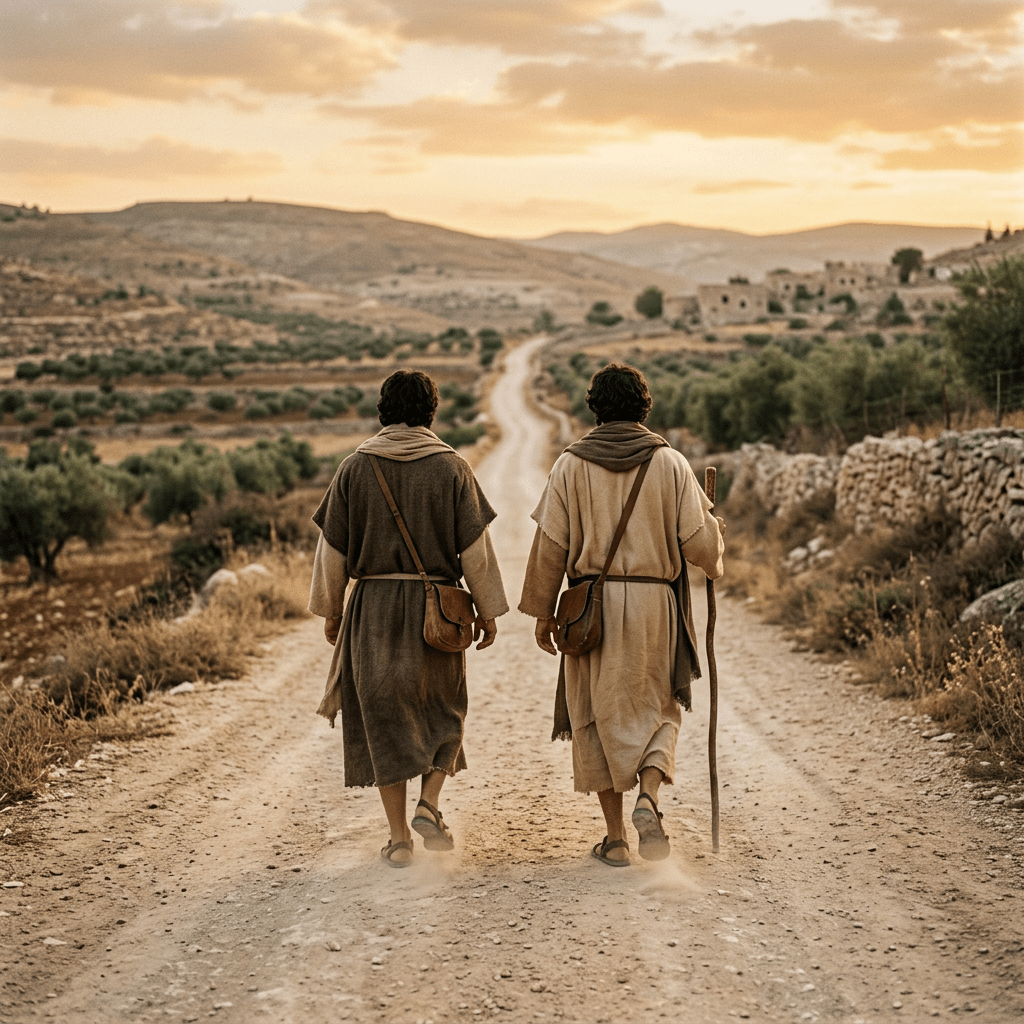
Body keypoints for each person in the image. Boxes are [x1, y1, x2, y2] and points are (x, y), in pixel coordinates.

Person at [519, 363, 724, 866]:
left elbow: (550, 546)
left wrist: (544, 613)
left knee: (594, 713)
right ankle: (649, 796)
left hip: (591, 609)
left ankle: (614, 840)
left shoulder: (569, 465)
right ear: (644, 405)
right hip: (656, 605)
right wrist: (716, 543)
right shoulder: (671, 463)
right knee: (660, 706)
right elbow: (700, 547)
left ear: (594, 407)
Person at [309, 369, 508, 867]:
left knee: (384, 721)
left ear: (383, 409)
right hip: (437, 611)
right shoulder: (453, 467)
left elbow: (330, 552)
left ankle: (399, 839)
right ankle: (429, 802)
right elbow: (475, 554)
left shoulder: (354, 468)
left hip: (372, 611)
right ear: (431, 411)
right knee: (445, 709)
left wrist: (333, 612)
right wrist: (486, 612)